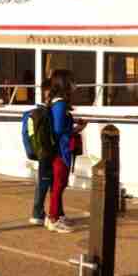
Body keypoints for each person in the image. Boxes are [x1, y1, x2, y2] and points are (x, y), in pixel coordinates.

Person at [45, 69, 78, 233]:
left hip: (60, 150)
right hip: (60, 151)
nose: (74, 85)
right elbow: (58, 130)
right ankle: (53, 218)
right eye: (71, 81)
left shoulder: (57, 102)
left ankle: (57, 214)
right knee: (59, 184)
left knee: (60, 184)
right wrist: (74, 130)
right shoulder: (60, 104)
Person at [29, 78, 55, 226]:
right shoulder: (45, 112)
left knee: (44, 181)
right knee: (44, 182)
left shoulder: (39, 111)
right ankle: (37, 213)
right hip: (46, 152)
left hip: (41, 151)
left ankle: (39, 212)